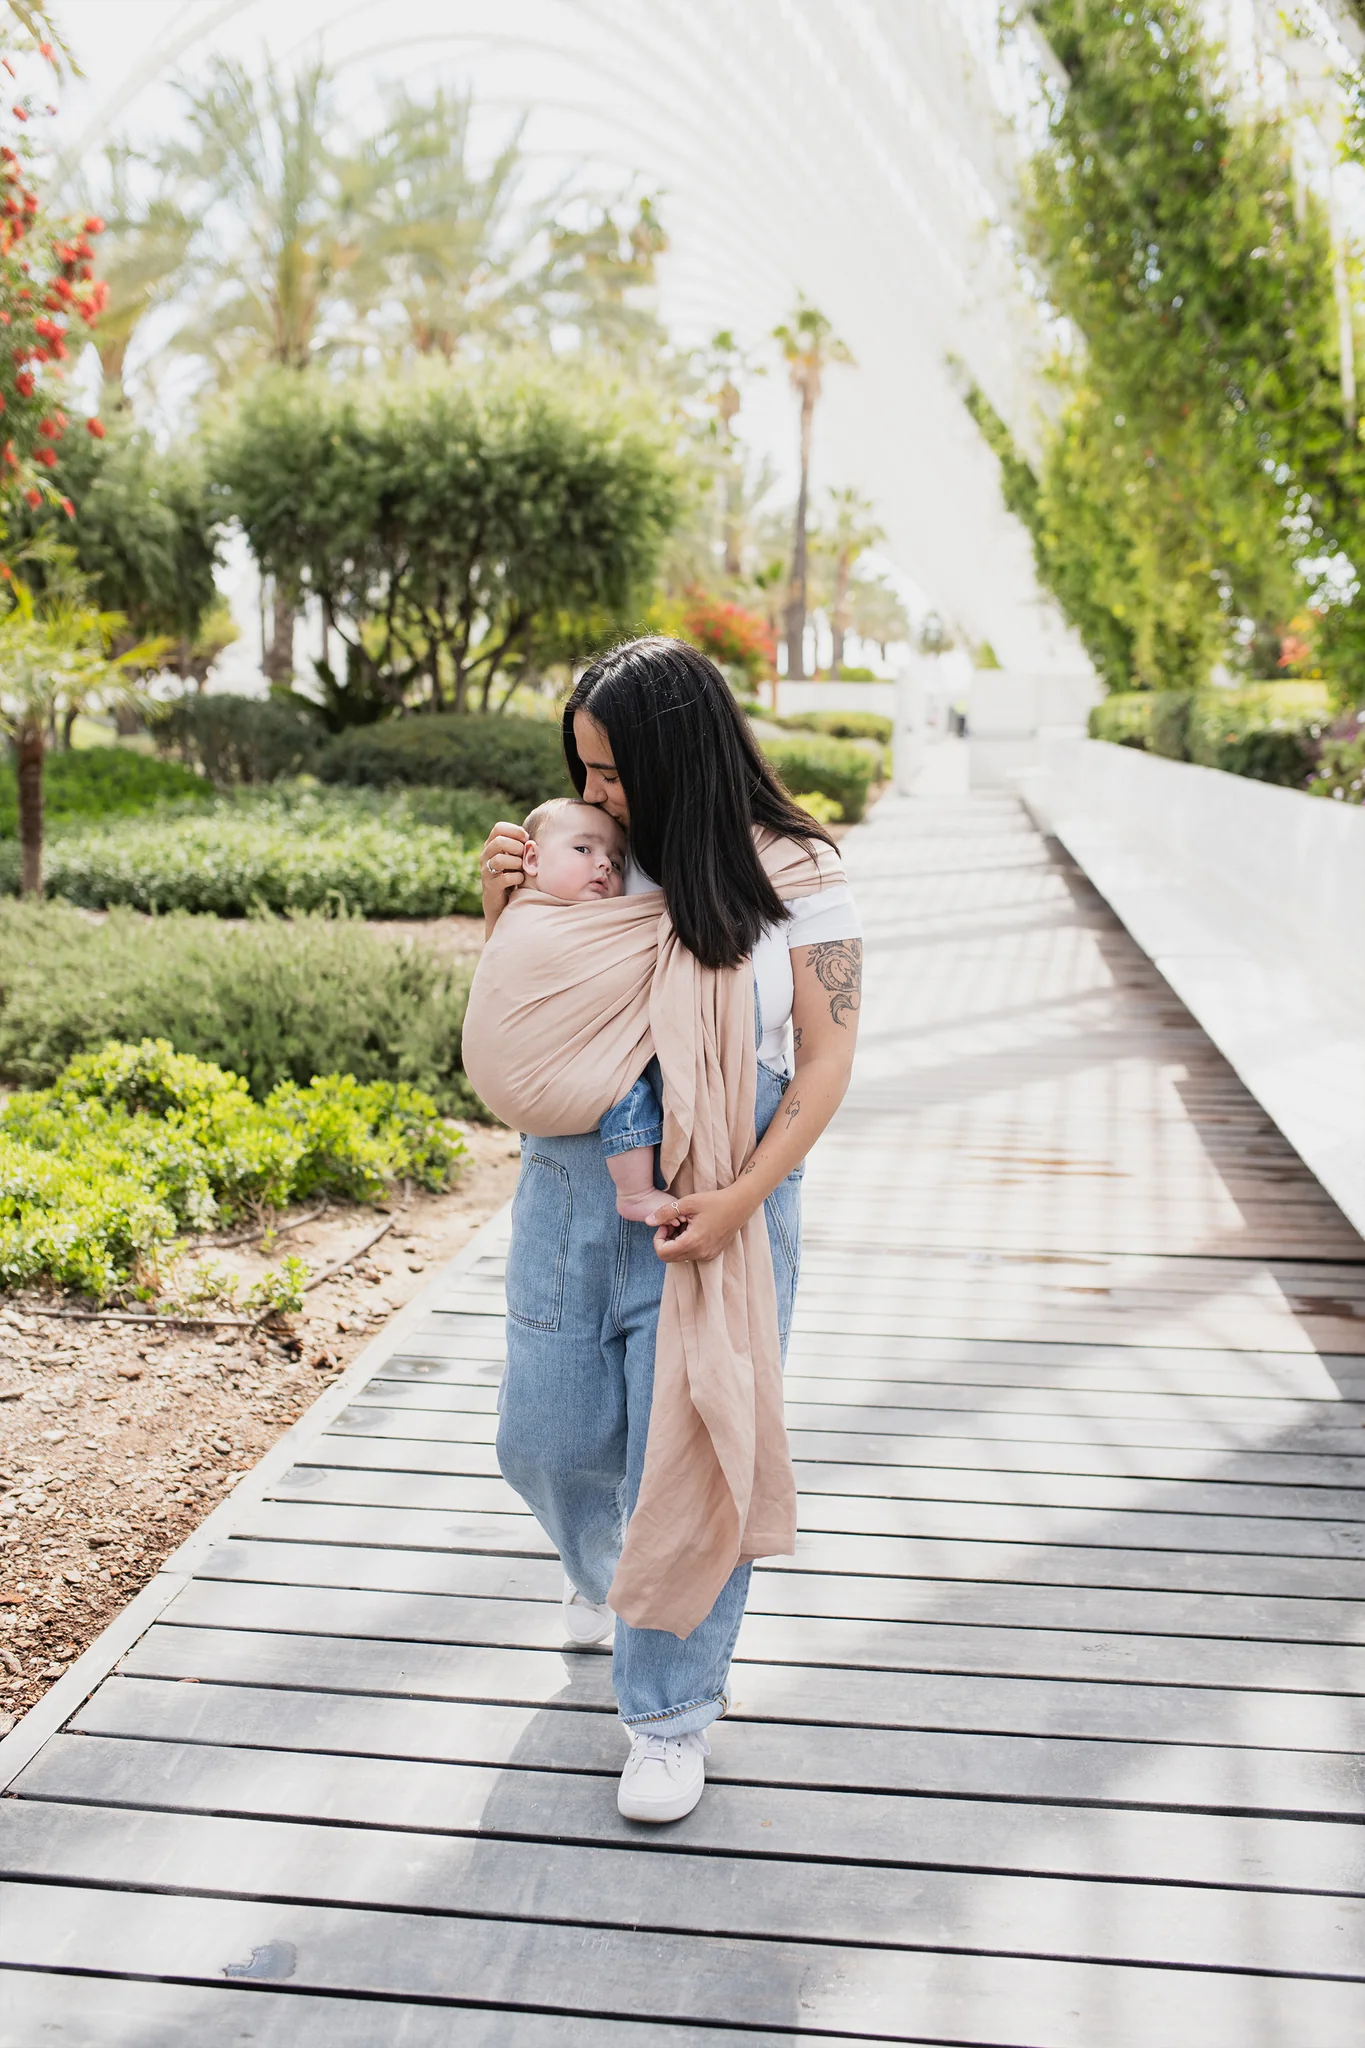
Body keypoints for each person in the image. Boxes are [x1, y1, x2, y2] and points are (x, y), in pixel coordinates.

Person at [478, 637, 862, 1824]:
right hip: (569, 1184)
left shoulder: (789, 868)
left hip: (724, 1200)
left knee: (688, 1454)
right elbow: (529, 1001)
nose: (594, 794)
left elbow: (831, 1052)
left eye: (612, 770)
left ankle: (667, 1716)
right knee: (543, 1434)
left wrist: (743, 1197)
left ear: (675, 752)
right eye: (582, 769)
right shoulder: (584, 855)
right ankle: (601, 1567)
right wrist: (502, 906)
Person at [518, 796, 667, 1223]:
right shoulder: (523, 911)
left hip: (570, 1062)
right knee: (629, 1092)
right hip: (545, 1060)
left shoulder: (606, 920)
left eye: (616, 863)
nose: (604, 865)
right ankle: (636, 1192)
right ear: (532, 858)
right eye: (584, 850)